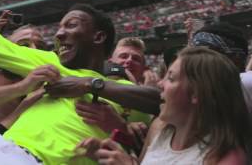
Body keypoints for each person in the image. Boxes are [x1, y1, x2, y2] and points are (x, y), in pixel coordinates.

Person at [0, 0, 160, 164]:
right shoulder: (48, 62)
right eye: (59, 27)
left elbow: (162, 104)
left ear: (98, 37)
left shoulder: (125, 90)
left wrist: (90, 86)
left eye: (71, 25)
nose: (59, 34)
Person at [78, 47, 252, 165]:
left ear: (196, 94)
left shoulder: (228, 158)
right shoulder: (161, 130)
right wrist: (109, 156)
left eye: (170, 78)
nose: (160, 84)